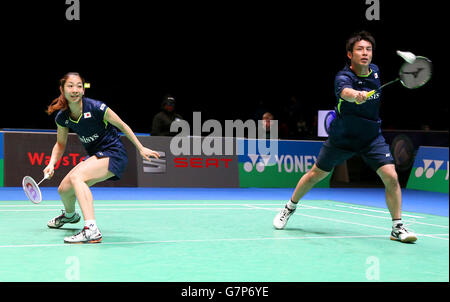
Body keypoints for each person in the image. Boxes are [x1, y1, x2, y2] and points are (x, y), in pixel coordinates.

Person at [273, 31, 417, 243]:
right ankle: (289, 207)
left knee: (391, 176)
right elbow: (344, 92)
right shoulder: (343, 77)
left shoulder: (376, 71)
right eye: (359, 49)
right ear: (350, 54)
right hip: (342, 138)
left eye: (368, 49)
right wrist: (355, 95)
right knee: (315, 175)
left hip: (371, 138)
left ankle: (397, 227)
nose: (365, 53)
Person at [44, 72, 160, 244]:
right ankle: (69, 216)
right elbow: (60, 144)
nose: (75, 90)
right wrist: (51, 164)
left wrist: (140, 147)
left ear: (83, 90)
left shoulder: (96, 107)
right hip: (96, 156)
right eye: (70, 86)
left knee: (77, 177)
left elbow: (122, 124)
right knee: (64, 190)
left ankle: (91, 229)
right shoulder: (62, 117)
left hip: (113, 153)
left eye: (79, 86)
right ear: (62, 89)